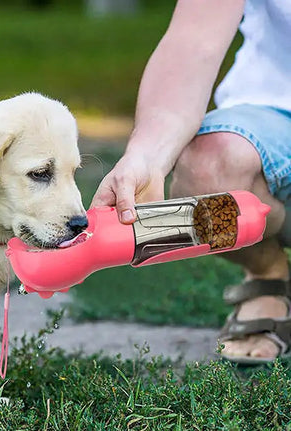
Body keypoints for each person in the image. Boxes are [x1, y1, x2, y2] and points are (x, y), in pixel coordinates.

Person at [91, 0, 291, 363]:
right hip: (275, 106)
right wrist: (146, 156)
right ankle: (269, 274)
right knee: (209, 171)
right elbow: (193, 41)